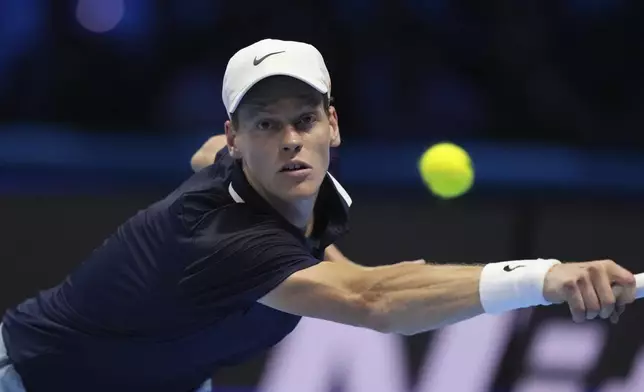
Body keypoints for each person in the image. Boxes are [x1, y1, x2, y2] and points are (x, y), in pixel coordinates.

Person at [0, 38, 638, 392]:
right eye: (265, 125)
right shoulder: (221, 235)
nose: (288, 140)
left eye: (304, 120)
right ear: (238, 132)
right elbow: (373, 302)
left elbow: (211, 155)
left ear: (333, 123)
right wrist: (546, 277)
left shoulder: (281, 187)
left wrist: (343, 265)